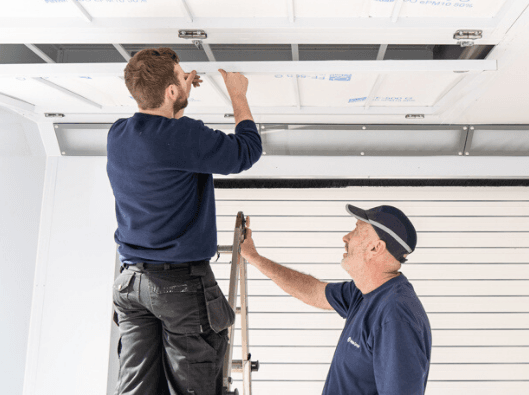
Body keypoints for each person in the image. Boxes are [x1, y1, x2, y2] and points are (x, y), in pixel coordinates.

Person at [107, 47, 263, 394]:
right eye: (181, 78)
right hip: (177, 287)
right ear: (171, 91)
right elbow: (246, 151)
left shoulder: (117, 135)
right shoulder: (183, 136)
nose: (186, 80)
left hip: (131, 285)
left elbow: (162, 136)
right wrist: (238, 94)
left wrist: (177, 97)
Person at [241, 204, 432, 394]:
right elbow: (313, 290)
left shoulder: (395, 316)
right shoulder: (364, 292)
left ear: (375, 248)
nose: (346, 237)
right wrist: (254, 257)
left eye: (357, 229)